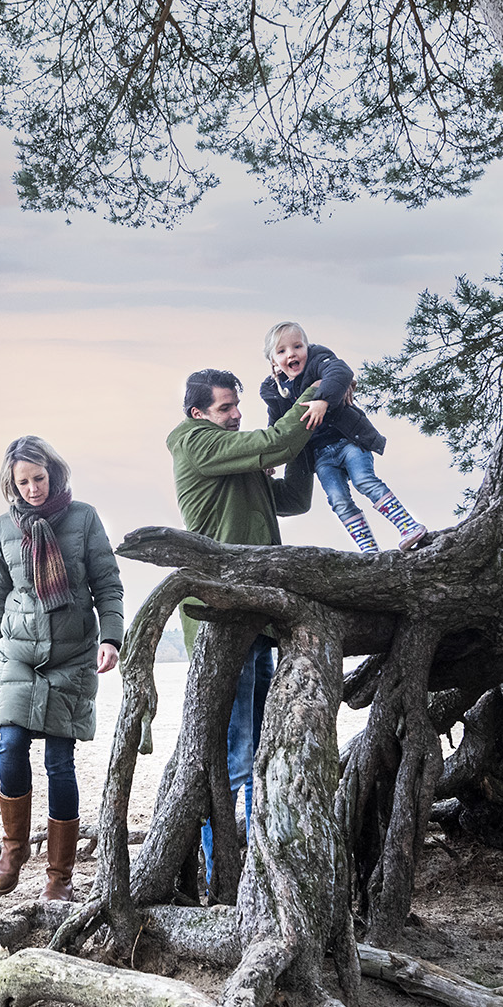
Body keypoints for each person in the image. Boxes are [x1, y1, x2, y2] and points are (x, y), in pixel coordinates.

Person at [167, 370, 317, 878]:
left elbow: (295, 499)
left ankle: (257, 865)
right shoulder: (194, 445)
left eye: (237, 407)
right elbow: (275, 442)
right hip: (221, 620)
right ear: (198, 414)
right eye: (226, 407)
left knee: (256, 748)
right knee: (230, 756)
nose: (236, 415)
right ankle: (219, 871)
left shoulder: (235, 458)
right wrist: (318, 396)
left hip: (257, 617)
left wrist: (314, 442)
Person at [0, 434, 123, 903]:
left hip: (72, 656)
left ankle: (59, 876)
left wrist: (111, 638)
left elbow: (107, 583)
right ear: (12, 484)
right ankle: (14, 848)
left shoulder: (83, 518)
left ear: (52, 473)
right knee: (10, 744)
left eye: (39, 479)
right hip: (18, 654)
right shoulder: (3, 528)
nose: (33, 489)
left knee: (59, 762)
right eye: (23, 482)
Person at [257, 321, 427, 554]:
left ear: (307, 346)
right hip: (320, 456)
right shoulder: (274, 390)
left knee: (364, 481)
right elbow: (276, 425)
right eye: (282, 351)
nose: (292, 354)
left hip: (349, 441)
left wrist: (323, 400)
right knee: (338, 499)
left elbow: (340, 372)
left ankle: (408, 526)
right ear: (273, 362)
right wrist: (270, 459)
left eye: (298, 346)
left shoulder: (318, 361)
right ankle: (369, 550)